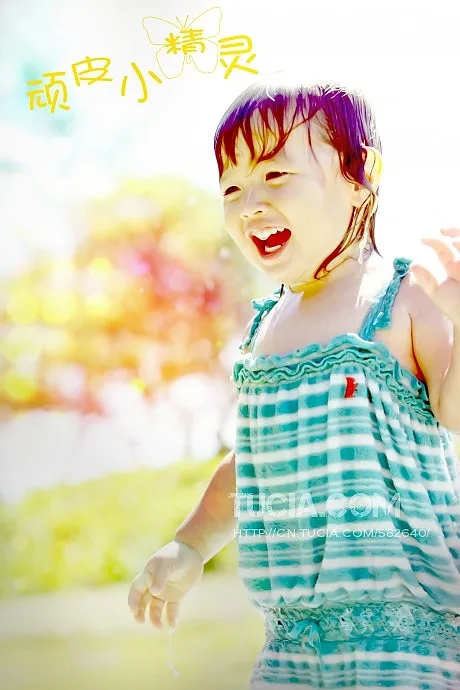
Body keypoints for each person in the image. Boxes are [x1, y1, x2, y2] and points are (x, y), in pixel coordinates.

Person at [128, 76, 460, 688]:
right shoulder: (266, 328)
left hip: (405, 633)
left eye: (276, 175)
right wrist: (190, 545)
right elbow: (251, 462)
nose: (249, 204)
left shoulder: (403, 298)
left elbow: (452, 410)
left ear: (361, 176)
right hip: (292, 642)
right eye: (232, 188)